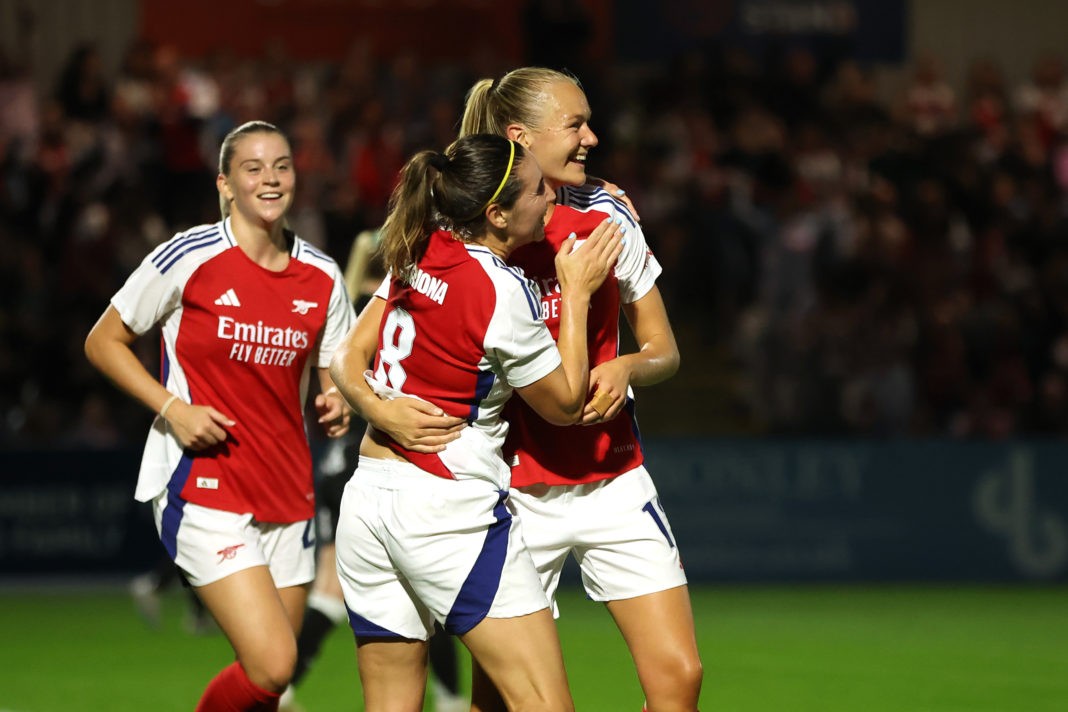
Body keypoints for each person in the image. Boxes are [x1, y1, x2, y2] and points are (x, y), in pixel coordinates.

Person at [330, 133, 624, 712]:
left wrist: (379, 408)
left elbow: (345, 358)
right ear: (496, 213)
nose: (552, 200)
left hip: (366, 503)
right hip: (445, 507)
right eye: (540, 190)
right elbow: (565, 406)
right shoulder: (499, 287)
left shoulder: (419, 249)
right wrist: (577, 292)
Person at [84, 119, 355, 711]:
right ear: (225, 185)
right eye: (252, 168)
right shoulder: (188, 256)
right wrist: (172, 408)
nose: (270, 178)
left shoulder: (324, 276)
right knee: (274, 661)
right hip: (205, 484)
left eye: (281, 165)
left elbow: (337, 369)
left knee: (270, 680)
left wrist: (335, 398)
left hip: (288, 489)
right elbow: (103, 341)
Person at [458, 67, 703, 712]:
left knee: (680, 680)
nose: (592, 136)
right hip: (511, 494)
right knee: (499, 699)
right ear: (520, 135)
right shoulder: (473, 232)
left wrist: (627, 368)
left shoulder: (608, 213)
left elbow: (664, 350)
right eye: (575, 124)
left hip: (613, 478)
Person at [280, 229, 468, 712]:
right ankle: (449, 697)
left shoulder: (341, 304)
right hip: (379, 455)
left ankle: (283, 684)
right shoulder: (398, 299)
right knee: (423, 593)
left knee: (331, 585)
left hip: (336, 463)